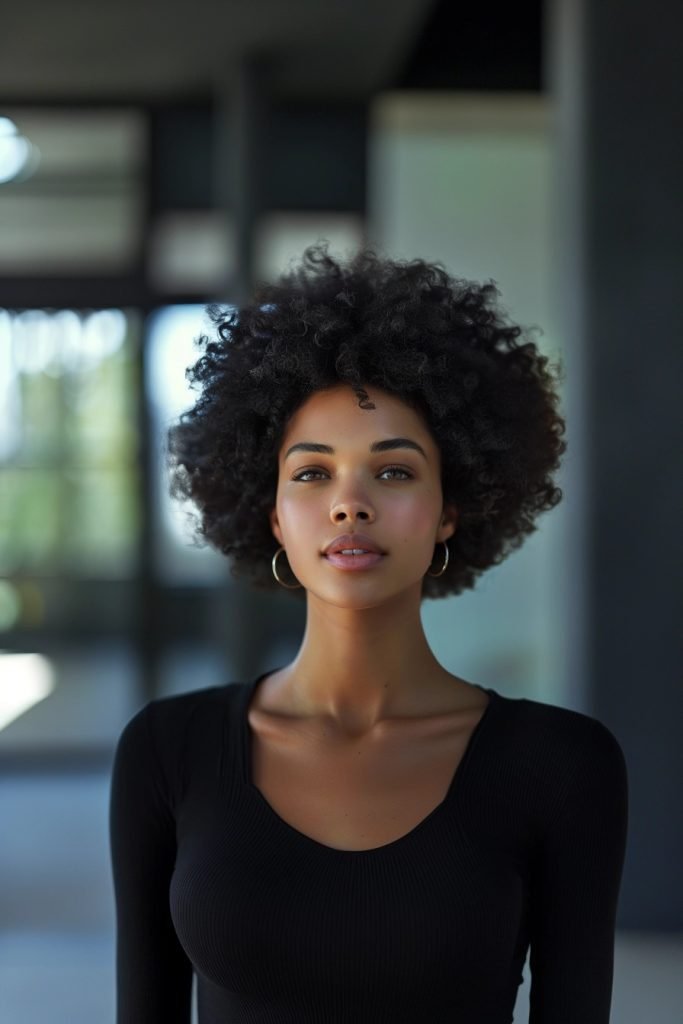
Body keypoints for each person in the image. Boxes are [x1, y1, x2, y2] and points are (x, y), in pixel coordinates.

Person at [109, 245, 628, 1023]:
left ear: (451, 507)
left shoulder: (561, 764)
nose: (349, 504)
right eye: (312, 474)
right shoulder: (166, 750)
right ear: (272, 514)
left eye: (393, 471)